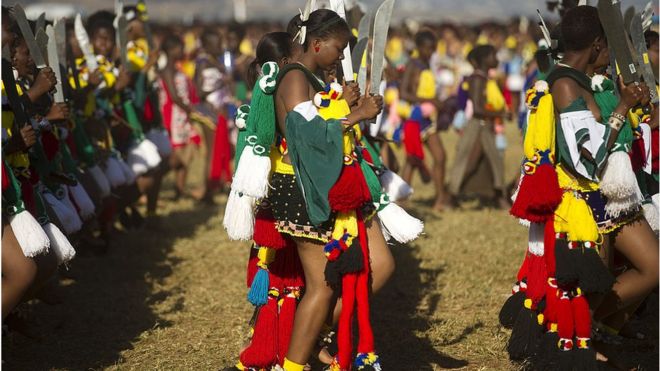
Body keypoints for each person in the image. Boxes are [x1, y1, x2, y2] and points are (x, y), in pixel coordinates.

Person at [272, 9, 387, 370]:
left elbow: (319, 120)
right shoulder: (293, 78)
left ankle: (313, 336)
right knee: (321, 287)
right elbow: (305, 138)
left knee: (378, 265)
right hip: (304, 190)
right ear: (316, 44)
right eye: (338, 49)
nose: (341, 57)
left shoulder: (310, 76)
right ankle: (293, 362)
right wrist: (355, 115)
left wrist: (346, 103)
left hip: (330, 183)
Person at [448, 44, 509, 208]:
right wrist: (500, 114)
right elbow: (477, 108)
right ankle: (451, 194)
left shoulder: (484, 78)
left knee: (495, 159)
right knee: (465, 158)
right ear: (483, 60)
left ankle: (498, 195)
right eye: (493, 56)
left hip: (484, 124)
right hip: (476, 125)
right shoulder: (477, 79)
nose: (496, 60)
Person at [399, 30, 450, 211]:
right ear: (419, 47)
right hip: (415, 118)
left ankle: (440, 199)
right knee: (412, 159)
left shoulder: (427, 64)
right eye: (428, 49)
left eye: (433, 49)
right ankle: (400, 203)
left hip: (428, 119)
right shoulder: (413, 64)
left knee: (440, 157)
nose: (431, 52)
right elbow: (403, 93)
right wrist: (429, 101)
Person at [157, 34, 201, 200]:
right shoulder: (167, 70)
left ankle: (180, 189)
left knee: (185, 152)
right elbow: (174, 96)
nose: (183, 51)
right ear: (171, 50)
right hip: (173, 115)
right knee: (175, 155)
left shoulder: (177, 68)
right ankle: (157, 178)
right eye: (180, 48)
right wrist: (191, 110)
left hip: (182, 115)